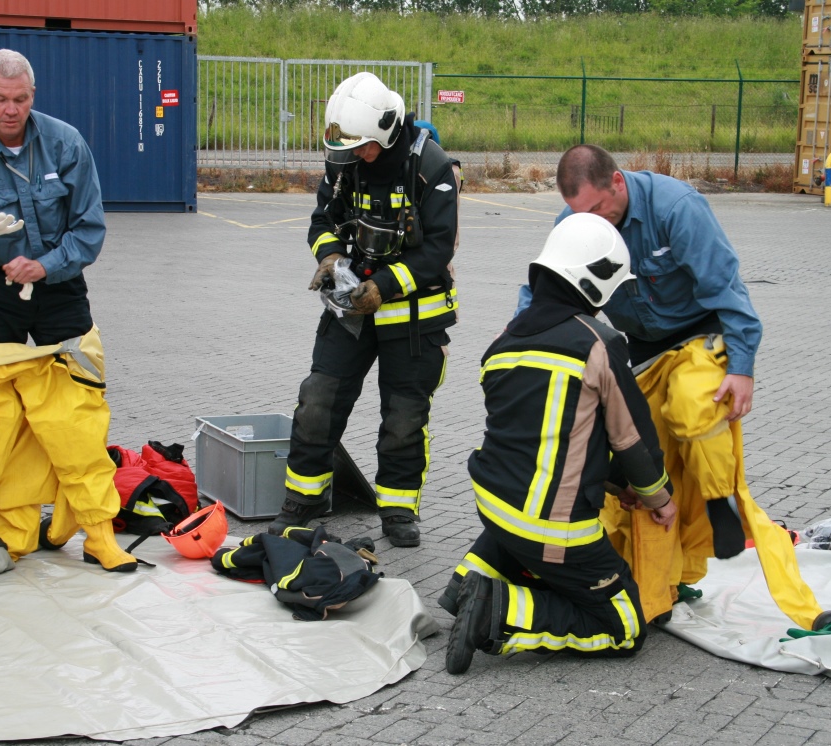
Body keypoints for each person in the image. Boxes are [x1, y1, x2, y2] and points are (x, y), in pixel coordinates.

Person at [536, 144, 825, 629]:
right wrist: (523, 336)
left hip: (698, 332)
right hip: (641, 347)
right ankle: (658, 587)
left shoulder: (677, 208)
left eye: (600, 210)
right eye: (581, 214)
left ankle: (719, 501)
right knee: (642, 466)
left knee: (693, 403)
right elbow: (550, 288)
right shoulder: (578, 220)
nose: (595, 225)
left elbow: (725, 284)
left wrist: (743, 367)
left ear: (618, 183)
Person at [0, 49, 135, 591]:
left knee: (77, 415)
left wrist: (46, 263)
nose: (9, 110)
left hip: (59, 290)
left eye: (19, 100)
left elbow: (89, 230)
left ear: (32, 97)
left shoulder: (65, 143)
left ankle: (98, 532)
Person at [442, 213, 675, 675]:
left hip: (494, 503)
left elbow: (556, 438)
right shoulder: (599, 345)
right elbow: (632, 438)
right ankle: (499, 613)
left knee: (519, 527)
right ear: (597, 281)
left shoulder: (502, 343)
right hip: (553, 527)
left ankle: (466, 583)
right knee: (625, 627)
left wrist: (613, 486)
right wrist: (656, 496)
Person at [269, 72, 460, 548]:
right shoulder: (345, 161)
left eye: (364, 147)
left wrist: (387, 287)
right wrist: (330, 256)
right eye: (349, 148)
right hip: (351, 310)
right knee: (318, 399)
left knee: (404, 418)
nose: (356, 155)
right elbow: (321, 220)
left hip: (414, 317)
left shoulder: (432, 168)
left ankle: (397, 508)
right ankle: (303, 500)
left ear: (388, 130)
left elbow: (436, 249)